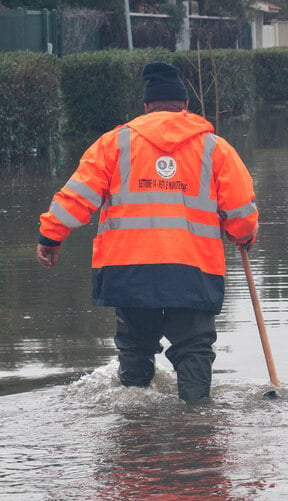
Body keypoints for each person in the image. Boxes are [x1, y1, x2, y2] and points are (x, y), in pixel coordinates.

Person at [36, 61, 259, 403]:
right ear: (186, 105)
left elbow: (76, 197)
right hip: (193, 270)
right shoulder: (217, 149)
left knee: (135, 349)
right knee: (194, 348)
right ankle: (196, 420)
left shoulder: (113, 144)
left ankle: (135, 426)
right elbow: (241, 212)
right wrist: (243, 236)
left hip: (129, 269)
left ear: (146, 105)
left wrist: (50, 237)